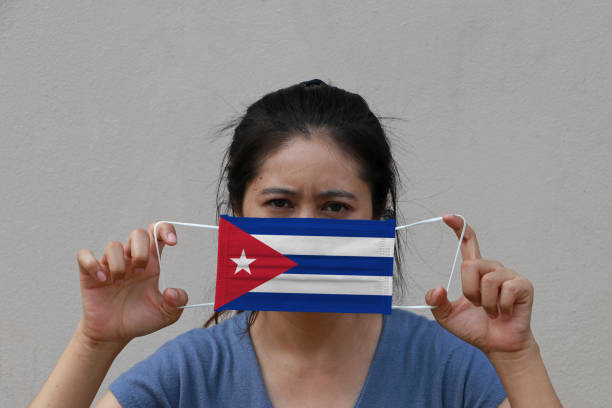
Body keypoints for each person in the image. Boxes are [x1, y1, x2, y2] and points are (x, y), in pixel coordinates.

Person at [31, 80, 561, 407]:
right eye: (280, 204)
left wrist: (518, 357)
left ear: (380, 218)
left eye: (335, 207)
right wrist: (95, 342)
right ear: (237, 213)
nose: (308, 228)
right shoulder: (189, 376)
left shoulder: (448, 370)